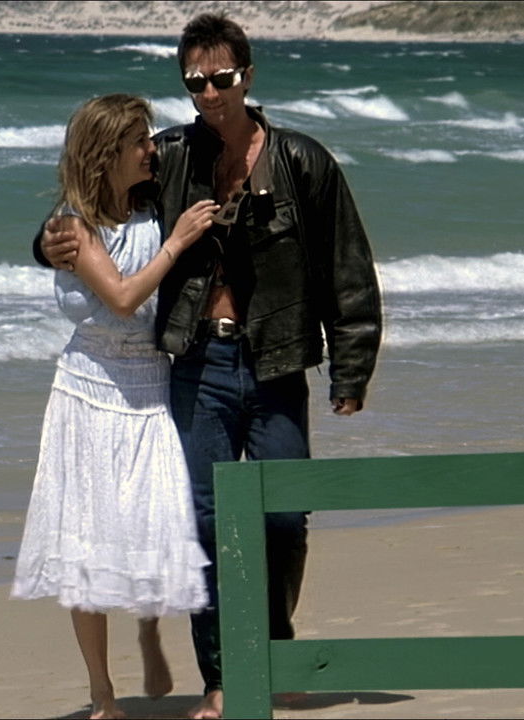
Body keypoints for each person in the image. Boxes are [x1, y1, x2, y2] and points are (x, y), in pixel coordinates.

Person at [34, 14, 383, 719]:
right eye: (195, 82)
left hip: (277, 359)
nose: (209, 93)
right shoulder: (169, 157)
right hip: (198, 361)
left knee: (283, 517)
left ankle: (272, 649)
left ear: (247, 76)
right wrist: (43, 244)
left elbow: (347, 266)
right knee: (202, 523)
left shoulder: (302, 160)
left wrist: (352, 369)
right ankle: (224, 677)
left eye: (221, 78)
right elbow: (94, 198)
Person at [10, 93, 216, 720]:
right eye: (140, 142)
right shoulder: (73, 227)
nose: (152, 150)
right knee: (86, 545)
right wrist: (177, 244)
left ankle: (150, 631)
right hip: (89, 390)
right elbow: (123, 298)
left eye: (150, 139)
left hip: (152, 383)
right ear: (107, 154)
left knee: (158, 524)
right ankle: (102, 693)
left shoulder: (152, 205)